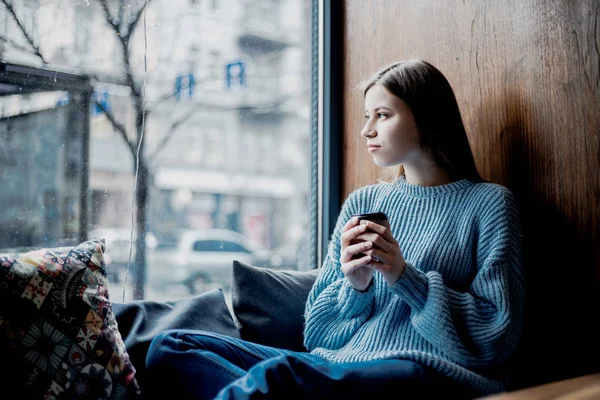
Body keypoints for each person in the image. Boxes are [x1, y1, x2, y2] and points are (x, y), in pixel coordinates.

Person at [144, 59, 525, 399]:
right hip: (339, 364)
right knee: (169, 346)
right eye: (366, 116)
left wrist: (405, 277)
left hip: (427, 370)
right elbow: (318, 335)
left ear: (426, 118)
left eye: (383, 115)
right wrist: (355, 286)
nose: (367, 130)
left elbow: (496, 336)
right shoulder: (363, 204)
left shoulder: (489, 204)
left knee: (278, 377)